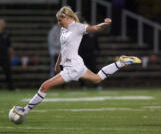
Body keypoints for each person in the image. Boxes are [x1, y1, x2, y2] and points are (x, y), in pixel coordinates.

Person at [13, 6, 141, 118]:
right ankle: (121, 62)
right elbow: (62, 49)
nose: (58, 23)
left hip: (72, 68)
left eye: (60, 20)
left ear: (67, 17)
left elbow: (95, 28)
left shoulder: (77, 27)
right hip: (74, 64)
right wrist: (58, 64)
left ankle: (25, 110)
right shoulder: (63, 30)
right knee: (97, 79)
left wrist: (105, 23)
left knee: (45, 86)